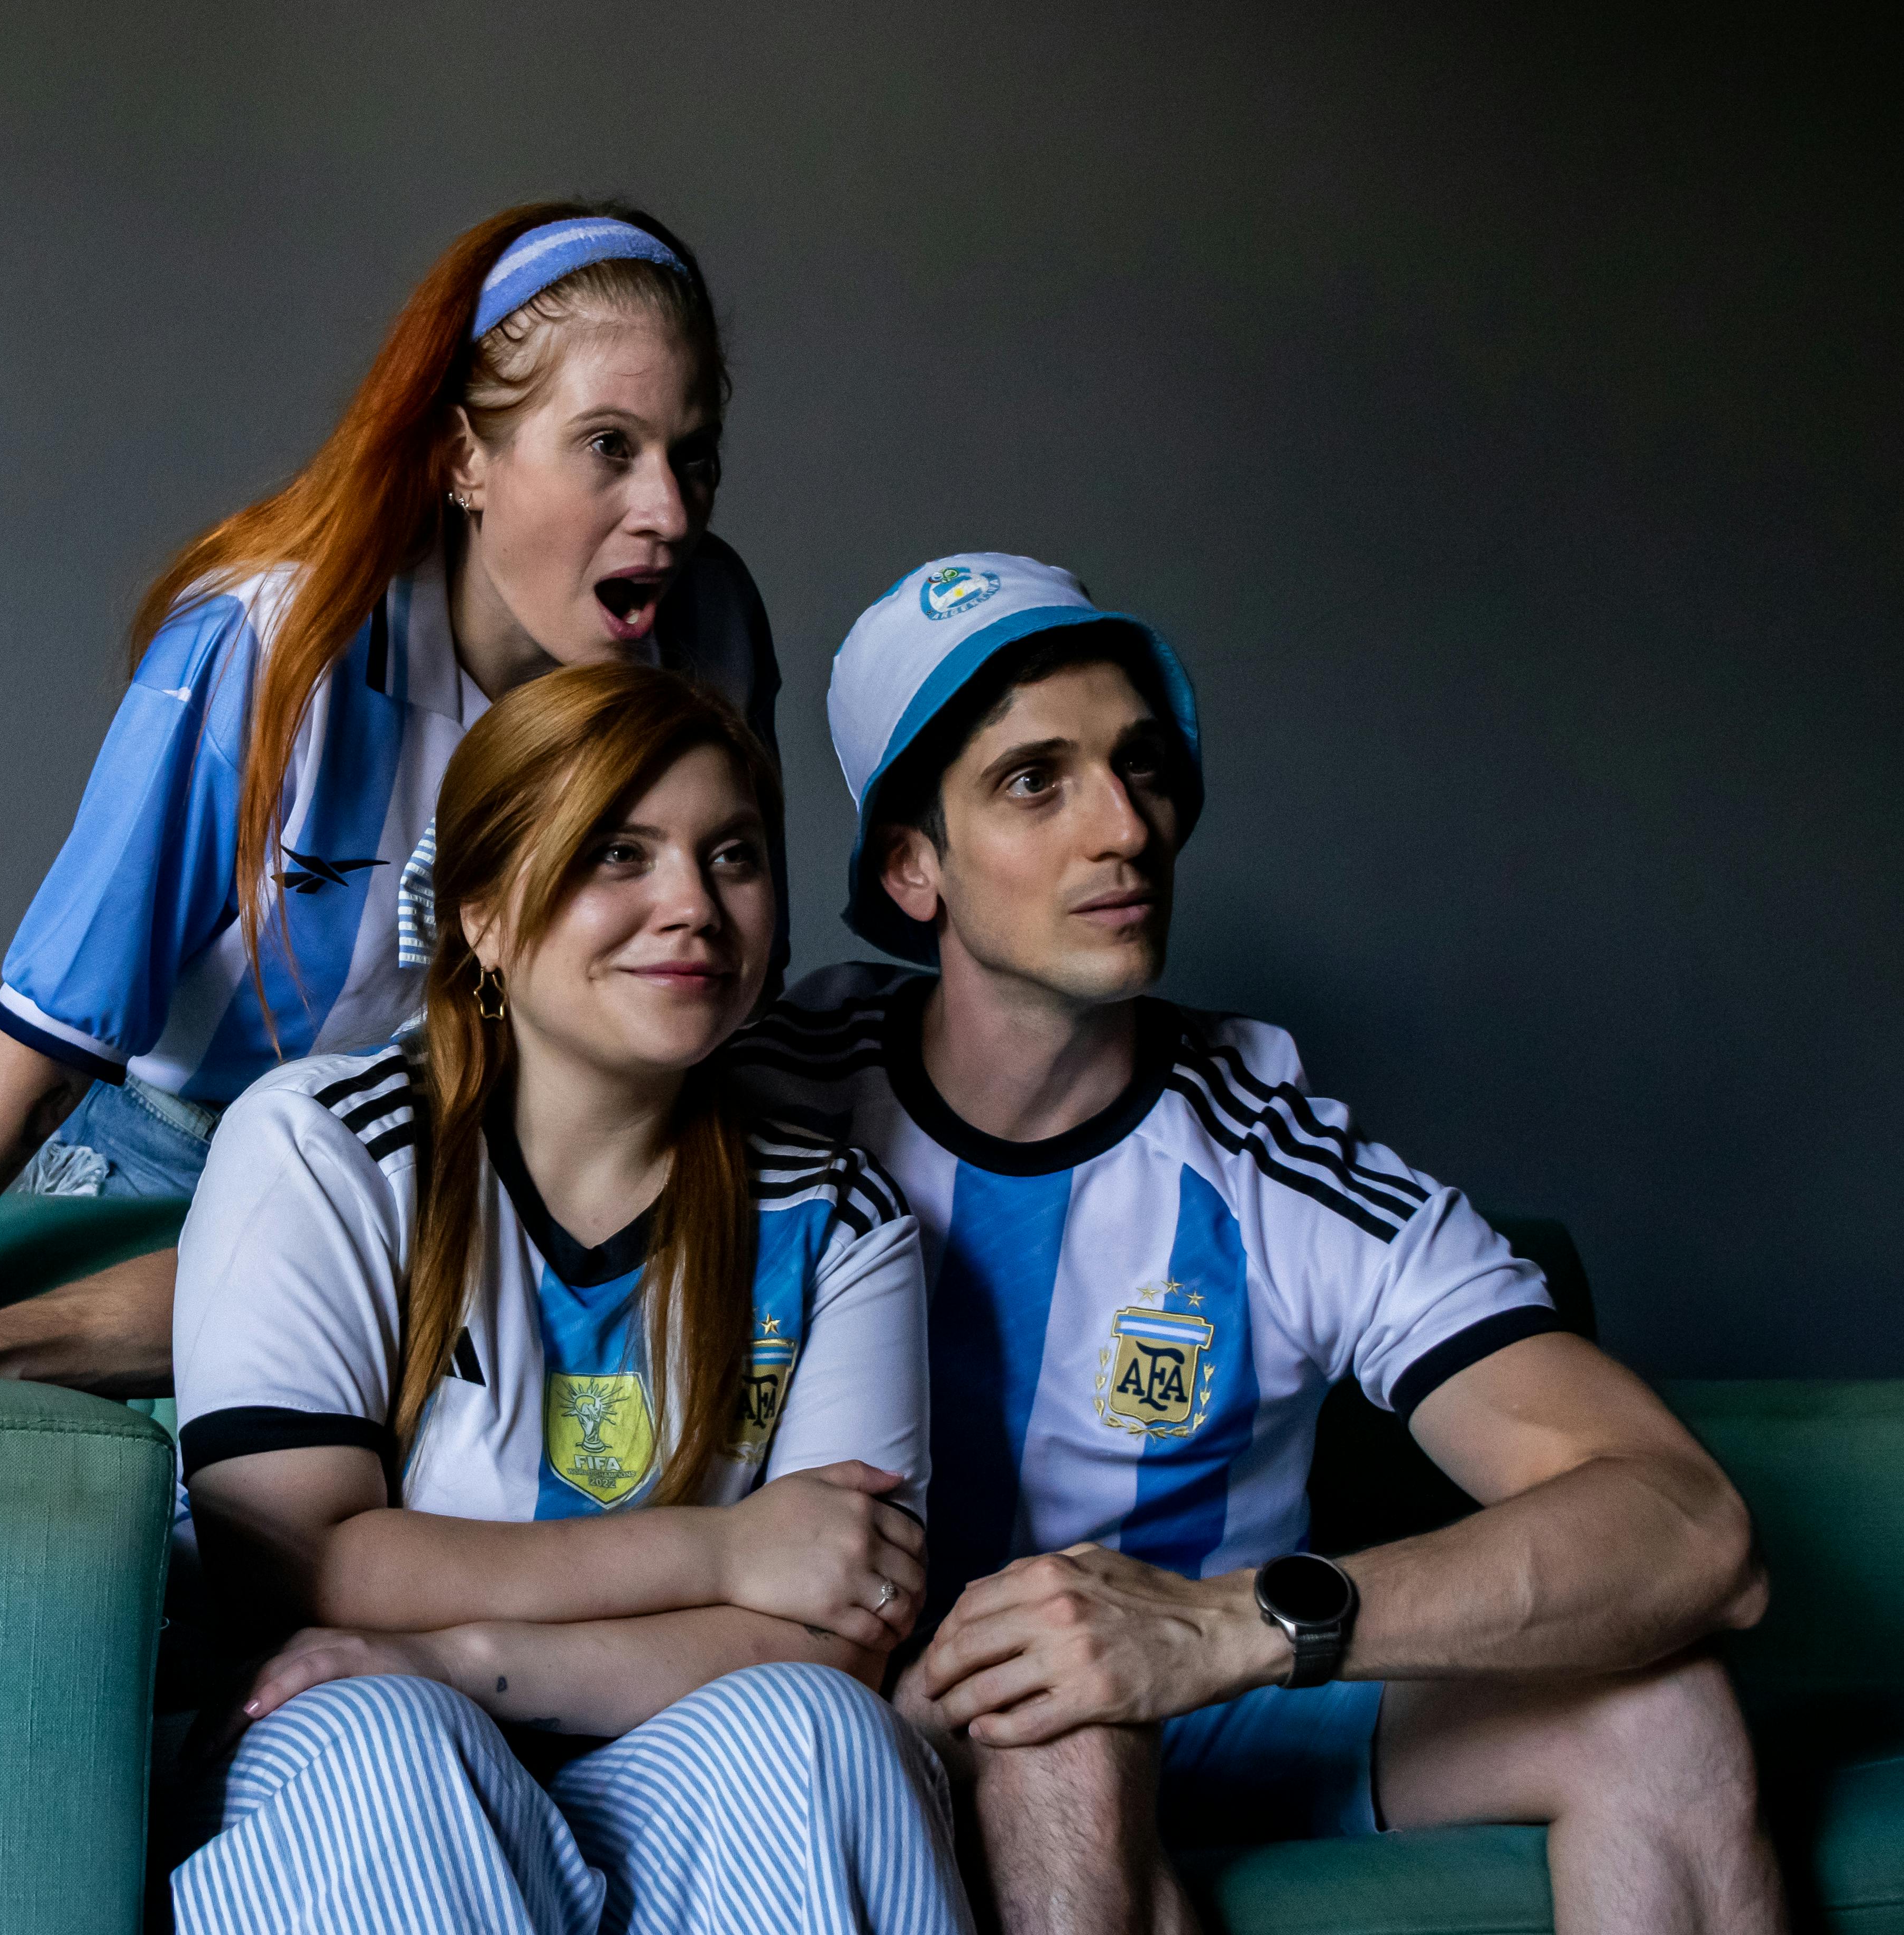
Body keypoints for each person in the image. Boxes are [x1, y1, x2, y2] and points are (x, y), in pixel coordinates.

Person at [728, 554, 1781, 1934]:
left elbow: (1690, 1529)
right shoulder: (765, 1095)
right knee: (1051, 1713)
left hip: (1214, 1701)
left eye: (1140, 766)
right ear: (910, 866)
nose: (1123, 828)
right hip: (878, 1718)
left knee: (1665, 1712)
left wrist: (1231, 1624)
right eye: (1034, 781)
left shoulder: (1270, 1154)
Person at [0, 202, 778, 1433]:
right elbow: (57, 1021)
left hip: (437, 1178)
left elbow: (723, 957)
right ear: (464, 457)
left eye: (693, 457)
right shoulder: (266, 647)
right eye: (608, 446)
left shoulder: (706, 632)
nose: (669, 512)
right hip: (167, 1166)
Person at [167, 663, 967, 1934]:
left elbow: (836, 1630)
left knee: (820, 1730)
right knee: (383, 1738)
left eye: (732, 856)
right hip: (350, 1735)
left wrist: (462, 1653)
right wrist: (722, 1554)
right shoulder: (323, 1147)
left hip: (648, 1744)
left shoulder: (838, 1216)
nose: (691, 906)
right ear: (482, 913)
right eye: (617, 854)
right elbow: (294, 1565)